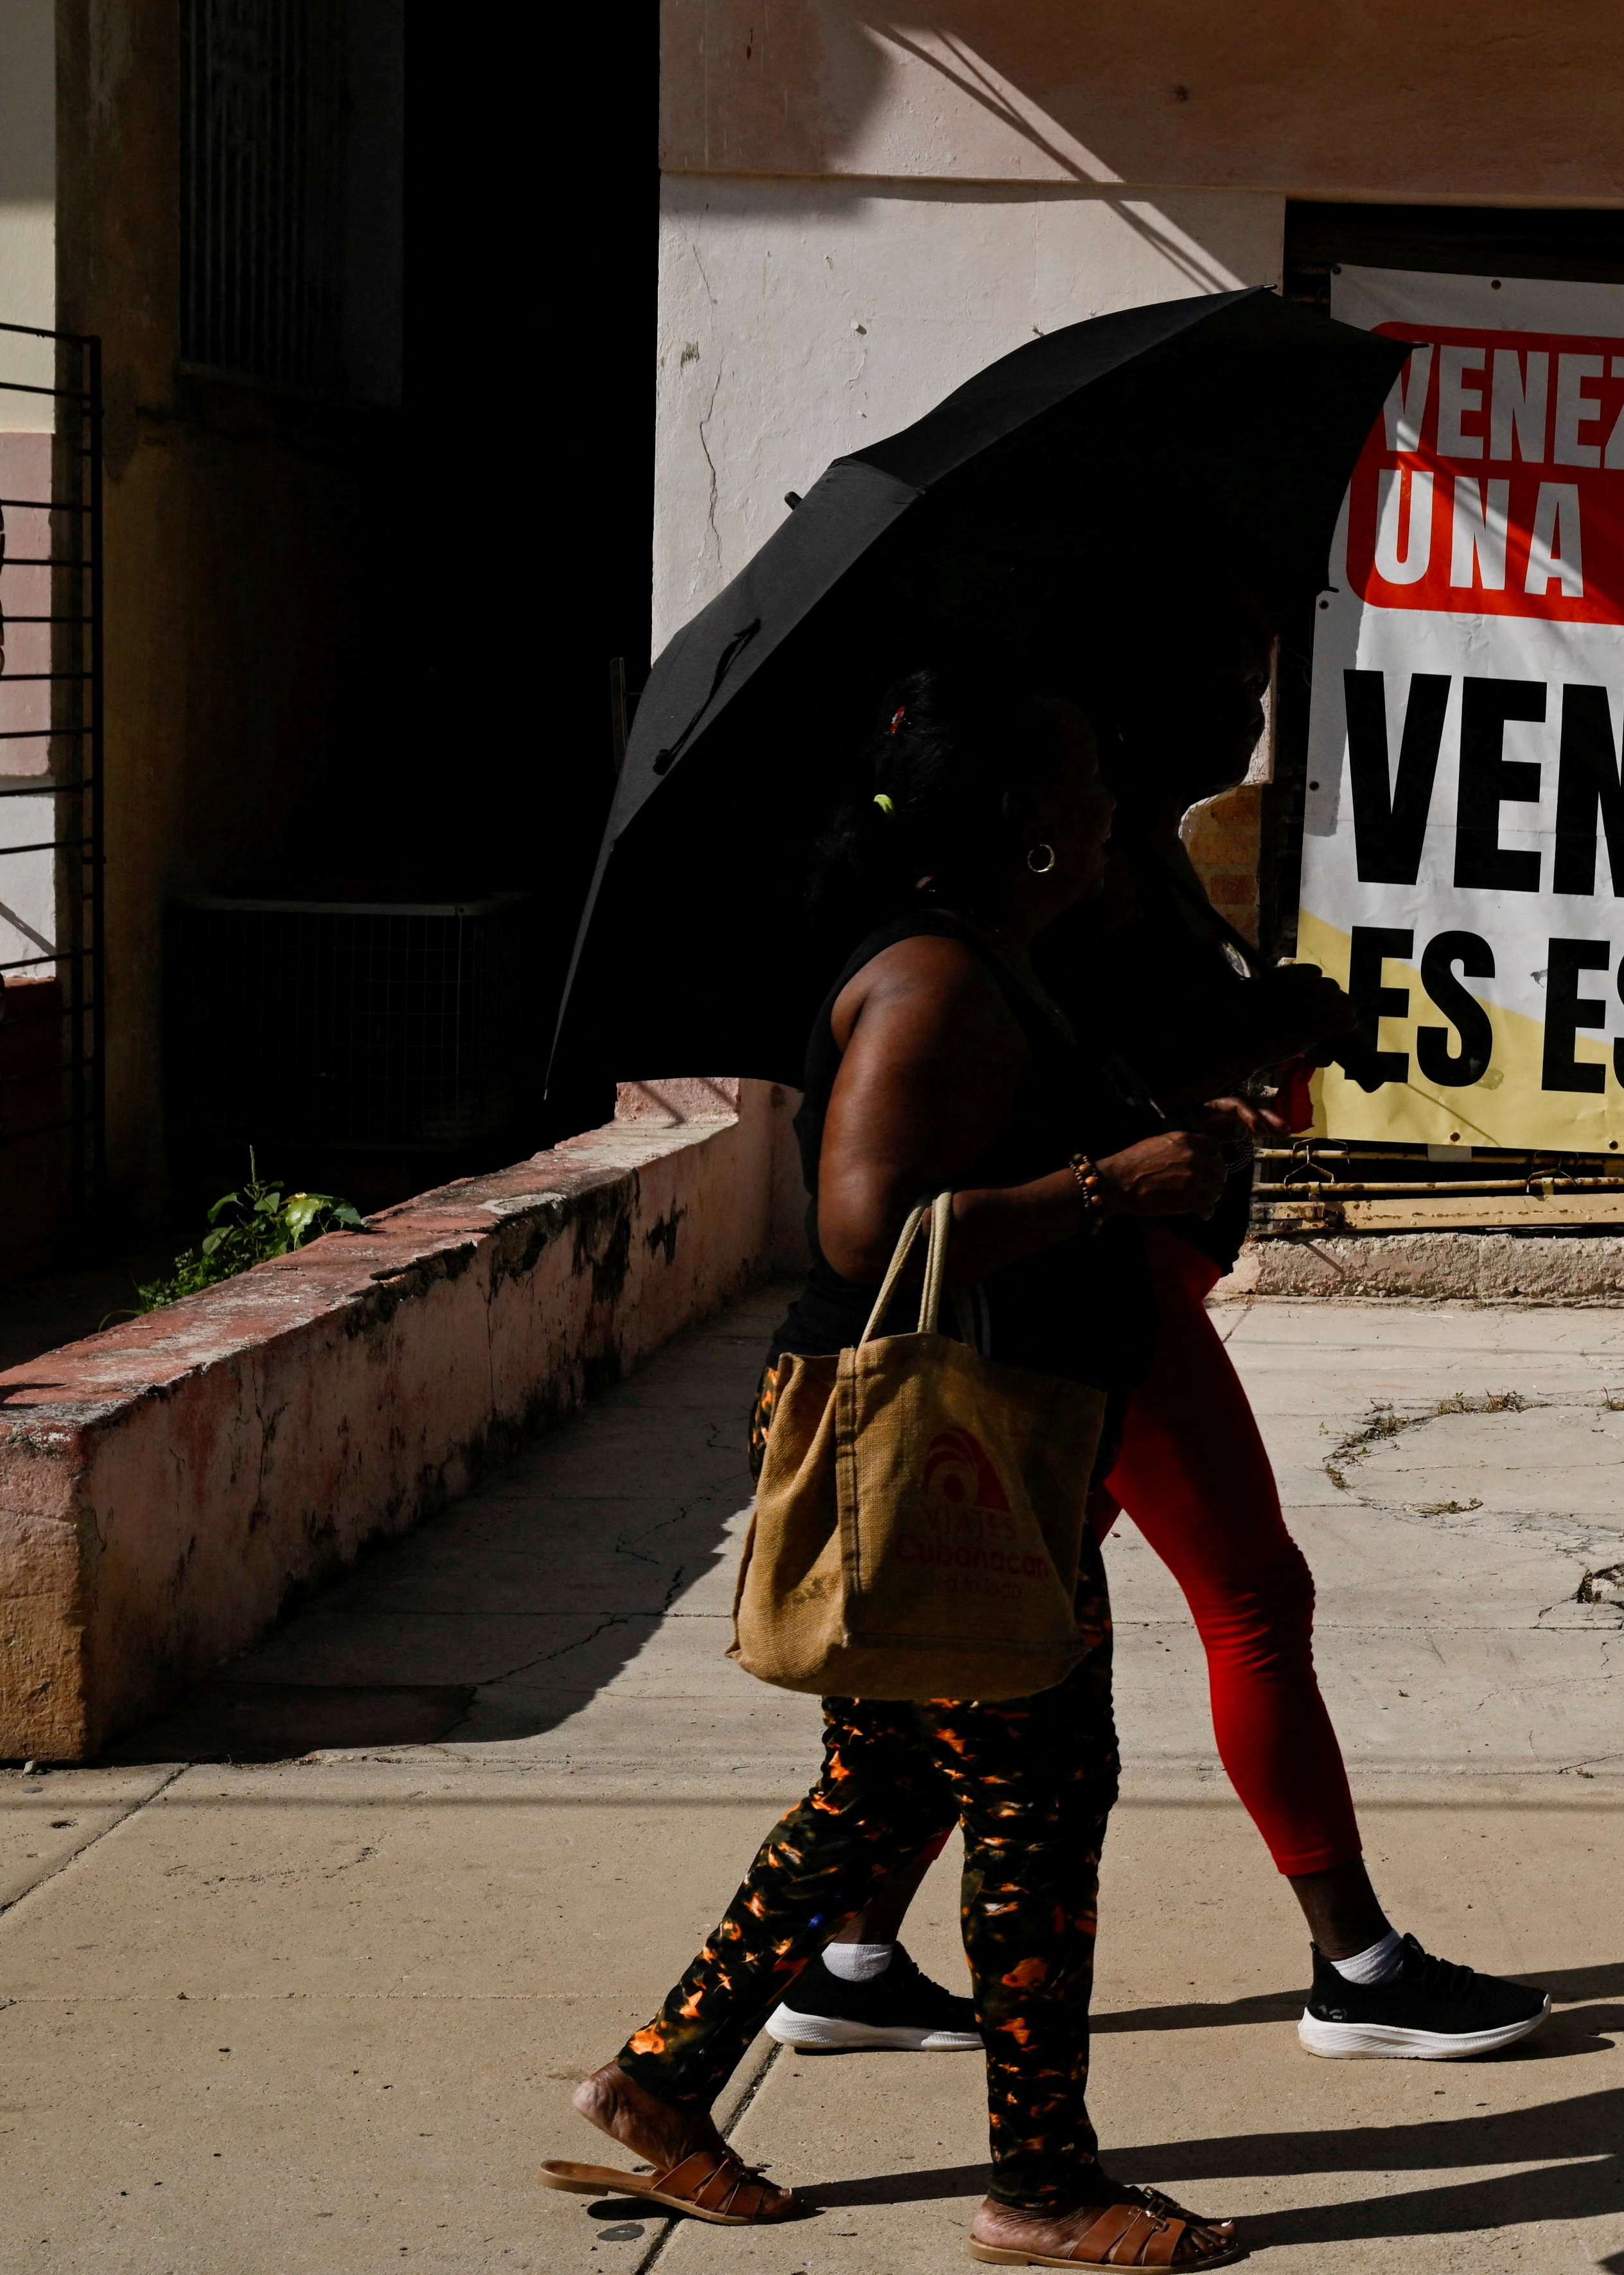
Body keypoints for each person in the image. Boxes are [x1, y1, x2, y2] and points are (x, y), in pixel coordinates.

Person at [545, 673, 1248, 2269]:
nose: (1100, 796)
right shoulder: (936, 976)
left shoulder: (1000, 960)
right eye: (1076, 765)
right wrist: (1106, 1182)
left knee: (890, 1785)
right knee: (1042, 1792)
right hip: (950, 1448)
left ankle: (662, 2083)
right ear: (1018, 818)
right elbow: (867, 1227)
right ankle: (1045, 2186)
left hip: (992, 1432)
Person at [1047, 626, 1554, 2061]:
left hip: (1156, 1272)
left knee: (1019, 1619)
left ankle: (844, 1945)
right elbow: (1096, 1079)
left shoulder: (1155, 853)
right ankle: (1359, 1966)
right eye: (1209, 686)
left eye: (1249, 688)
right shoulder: (1087, 875)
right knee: (1255, 1598)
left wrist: (1268, 1033)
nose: (1242, 712)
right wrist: (1247, 1037)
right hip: (1117, 1279)